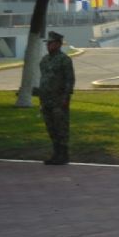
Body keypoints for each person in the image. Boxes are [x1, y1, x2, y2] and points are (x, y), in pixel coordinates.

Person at [38, 31, 75, 165]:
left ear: (58, 44)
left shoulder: (64, 60)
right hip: (46, 100)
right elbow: (44, 79)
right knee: (51, 128)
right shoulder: (44, 60)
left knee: (61, 128)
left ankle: (63, 155)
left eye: (51, 43)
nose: (48, 45)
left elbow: (69, 80)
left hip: (59, 100)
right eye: (48, 43)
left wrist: (66, 97)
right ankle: (55, 154)